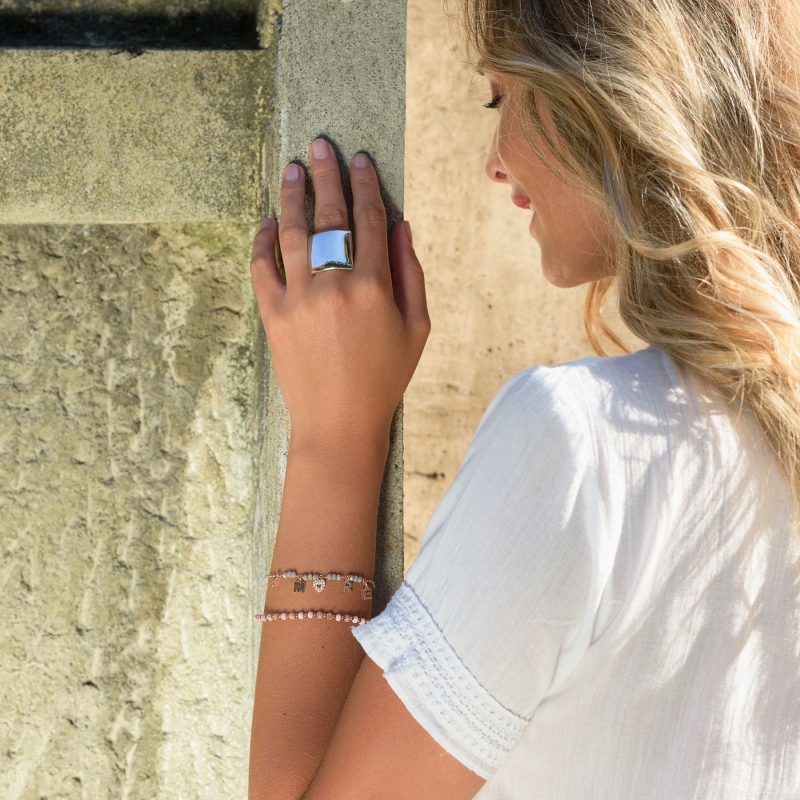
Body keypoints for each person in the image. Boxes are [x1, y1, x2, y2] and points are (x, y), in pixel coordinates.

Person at [247, 0, 800, 797]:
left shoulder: (584, 449)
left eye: (501, 98)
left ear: (606, 91)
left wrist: (338, 436)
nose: (493, 164)